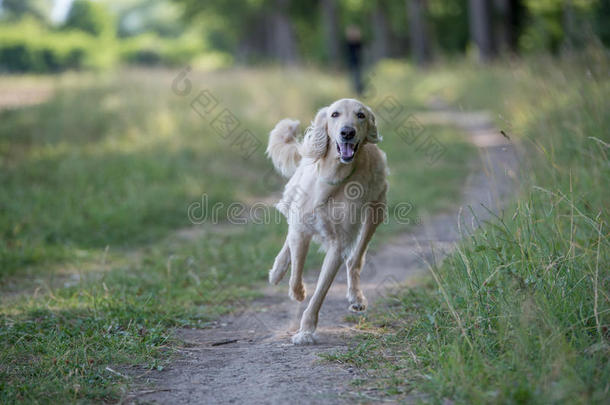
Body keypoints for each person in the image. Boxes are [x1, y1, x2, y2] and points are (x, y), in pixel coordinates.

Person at [345, 25, 364, 94]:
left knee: (358, 77)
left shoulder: (357, 43)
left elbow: (360, 45)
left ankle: (359, 90)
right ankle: (356, 90)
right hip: (352, 63)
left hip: (357, 62)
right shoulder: (349, 43)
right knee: (354, 78)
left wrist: (357, 34)